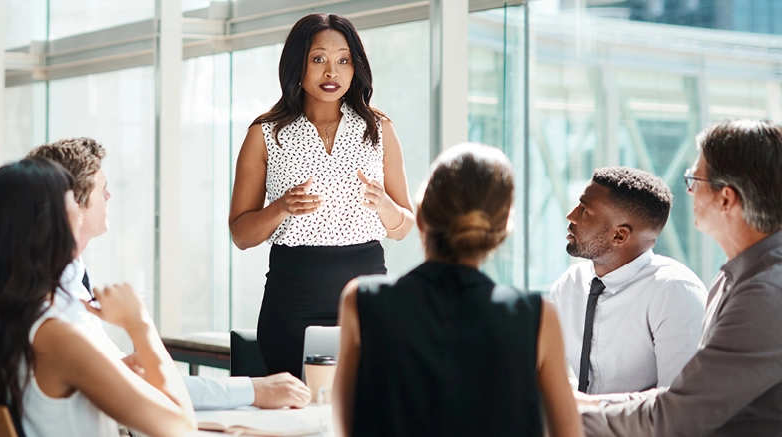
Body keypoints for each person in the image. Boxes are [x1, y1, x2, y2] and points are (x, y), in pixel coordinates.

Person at [28, 137, 312, 410]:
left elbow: (124, 378)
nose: (109, 195)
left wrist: (125, 367)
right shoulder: (54, 306)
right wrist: (254, 391)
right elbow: (137, 390)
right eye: (101, 188)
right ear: (72, 204)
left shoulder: (62, 281)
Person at [332, 144, 581, 437]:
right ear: (501, 231)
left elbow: (344, 428)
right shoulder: (537, 316)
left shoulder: (362, 300)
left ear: (421, 217)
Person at [229, 12, 415, 379]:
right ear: (297, 65)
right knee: (300, 411)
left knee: (365, 412)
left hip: (367, 300)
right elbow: (241, 234)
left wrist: (384, 206)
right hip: (293, 300)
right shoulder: (265, 133)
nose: (332, 72)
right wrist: (281, 208)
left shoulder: (379, 129)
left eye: (343, 60)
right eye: (319, 59)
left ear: (355, 67)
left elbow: (403, 226)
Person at [0, 157, 195, 437]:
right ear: (52, 224)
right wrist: (140, 323)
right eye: (73, 203)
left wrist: (106, 369)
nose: (81, 214)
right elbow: (180, 428)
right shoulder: (58, 337)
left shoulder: (0, 319)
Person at [579, 119, 782, 435]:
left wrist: (561, 416)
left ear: (726, 199)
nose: (688, 191)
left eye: (694, 178)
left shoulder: (766, 293)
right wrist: (584, 404)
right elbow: (685, 397)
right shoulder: (736, 277)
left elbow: (679, 417)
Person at [549, 167, 706, 395]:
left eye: (584, 210)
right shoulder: (570, 284)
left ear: (619, 235)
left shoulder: (674, 292)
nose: (571, 215)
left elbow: (680, 405)